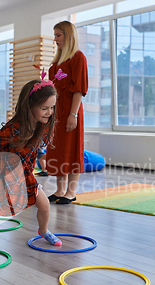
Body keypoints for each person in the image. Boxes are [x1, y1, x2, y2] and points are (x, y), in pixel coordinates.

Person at [0, 78, 62, 260]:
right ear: (29, 106)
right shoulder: (14, 128)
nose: (49, 112)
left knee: (45, 205)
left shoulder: (41, 126)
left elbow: (39, 150)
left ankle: (43, 230)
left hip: (23, 176)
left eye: (52, 107)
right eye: (44, 108)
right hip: (0, 175)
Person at [47, 21, 88, 205]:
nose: (55, 39)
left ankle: (71, 192)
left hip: (70, 109)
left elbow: (78, 89)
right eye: (55, 35)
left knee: (71, 149)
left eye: (58, 35)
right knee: (57, 150)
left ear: (68, 36)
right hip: (56, 113)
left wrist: (74, 115)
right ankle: (59, 190)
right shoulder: (55, 63)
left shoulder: (79, 58)